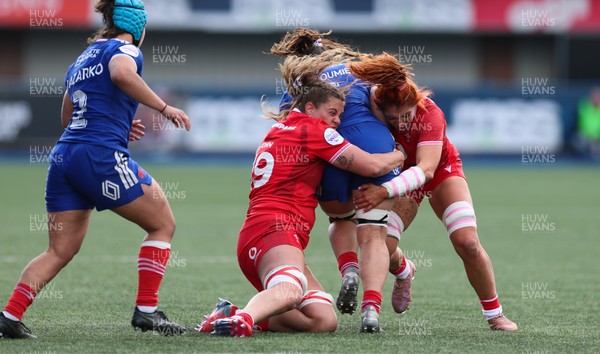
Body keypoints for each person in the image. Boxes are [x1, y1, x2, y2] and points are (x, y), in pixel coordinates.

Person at [0, 0, 191, 339]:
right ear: (137, 27)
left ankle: (9, 316)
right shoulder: (126, 49)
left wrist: (117, 121)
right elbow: (120, 73)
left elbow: (67, 117)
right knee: (163, 224)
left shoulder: (82, 59)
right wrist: (163, 107)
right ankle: (147, 311)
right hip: (98, 155)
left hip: (65, 155)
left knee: (58, 250)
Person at [196, 74, 404, 337]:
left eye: (340, 114)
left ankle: (230, 313)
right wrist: (401, 154)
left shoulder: (280, 128)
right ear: (309, 108)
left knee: (323, 321)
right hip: (275, 230)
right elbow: (373, 166)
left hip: (261, 234)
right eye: (332, 112)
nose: (337, 121)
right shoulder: (315, 131)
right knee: (291, 289)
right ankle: (243, 320)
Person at [349, 53, 518, 332]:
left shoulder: (430, 114)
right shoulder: (370, 102)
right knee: (382, 246)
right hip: (401, 175)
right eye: (393, 118)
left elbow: (426, 170)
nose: (401, 123)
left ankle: (495, 314)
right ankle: (405, 271)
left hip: (439, 171)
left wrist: (383, 191)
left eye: (405, 116)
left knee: (467, 242)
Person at [274, 37, 416, 331]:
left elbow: (289, 128)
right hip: (375, 147)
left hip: (332, 156)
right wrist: (399, 151)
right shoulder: (358, 69)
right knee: (374, 235)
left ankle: (350, 270)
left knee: (340, 217)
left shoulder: (299, 88)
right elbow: (385, 106)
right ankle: (371, 311)